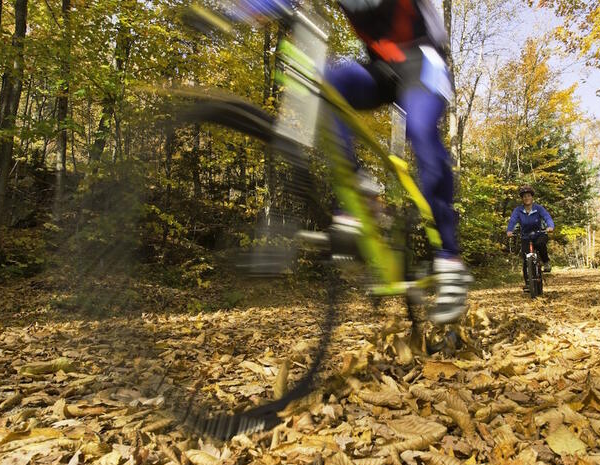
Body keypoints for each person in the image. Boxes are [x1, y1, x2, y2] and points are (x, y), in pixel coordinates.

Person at [227, 0, 472, 324]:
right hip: (382, 67)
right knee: (325, 83)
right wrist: (230, 13)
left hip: (423, 59)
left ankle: (449, 261)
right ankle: (359, 193)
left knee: (421, 133)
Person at [506, 185, 554, 290]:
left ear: (532, 197)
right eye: (524, 196)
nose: (526, 198)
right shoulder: (518, 210)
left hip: (539, 233)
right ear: (522, 199)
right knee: (526, 259)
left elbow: (547, 217)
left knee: (540, 244)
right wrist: (509, 231)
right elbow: (513, 220)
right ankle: (528, 283)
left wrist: (550, 226)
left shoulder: (538, 208)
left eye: (528, 196)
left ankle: (546, 262)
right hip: (526, 236)